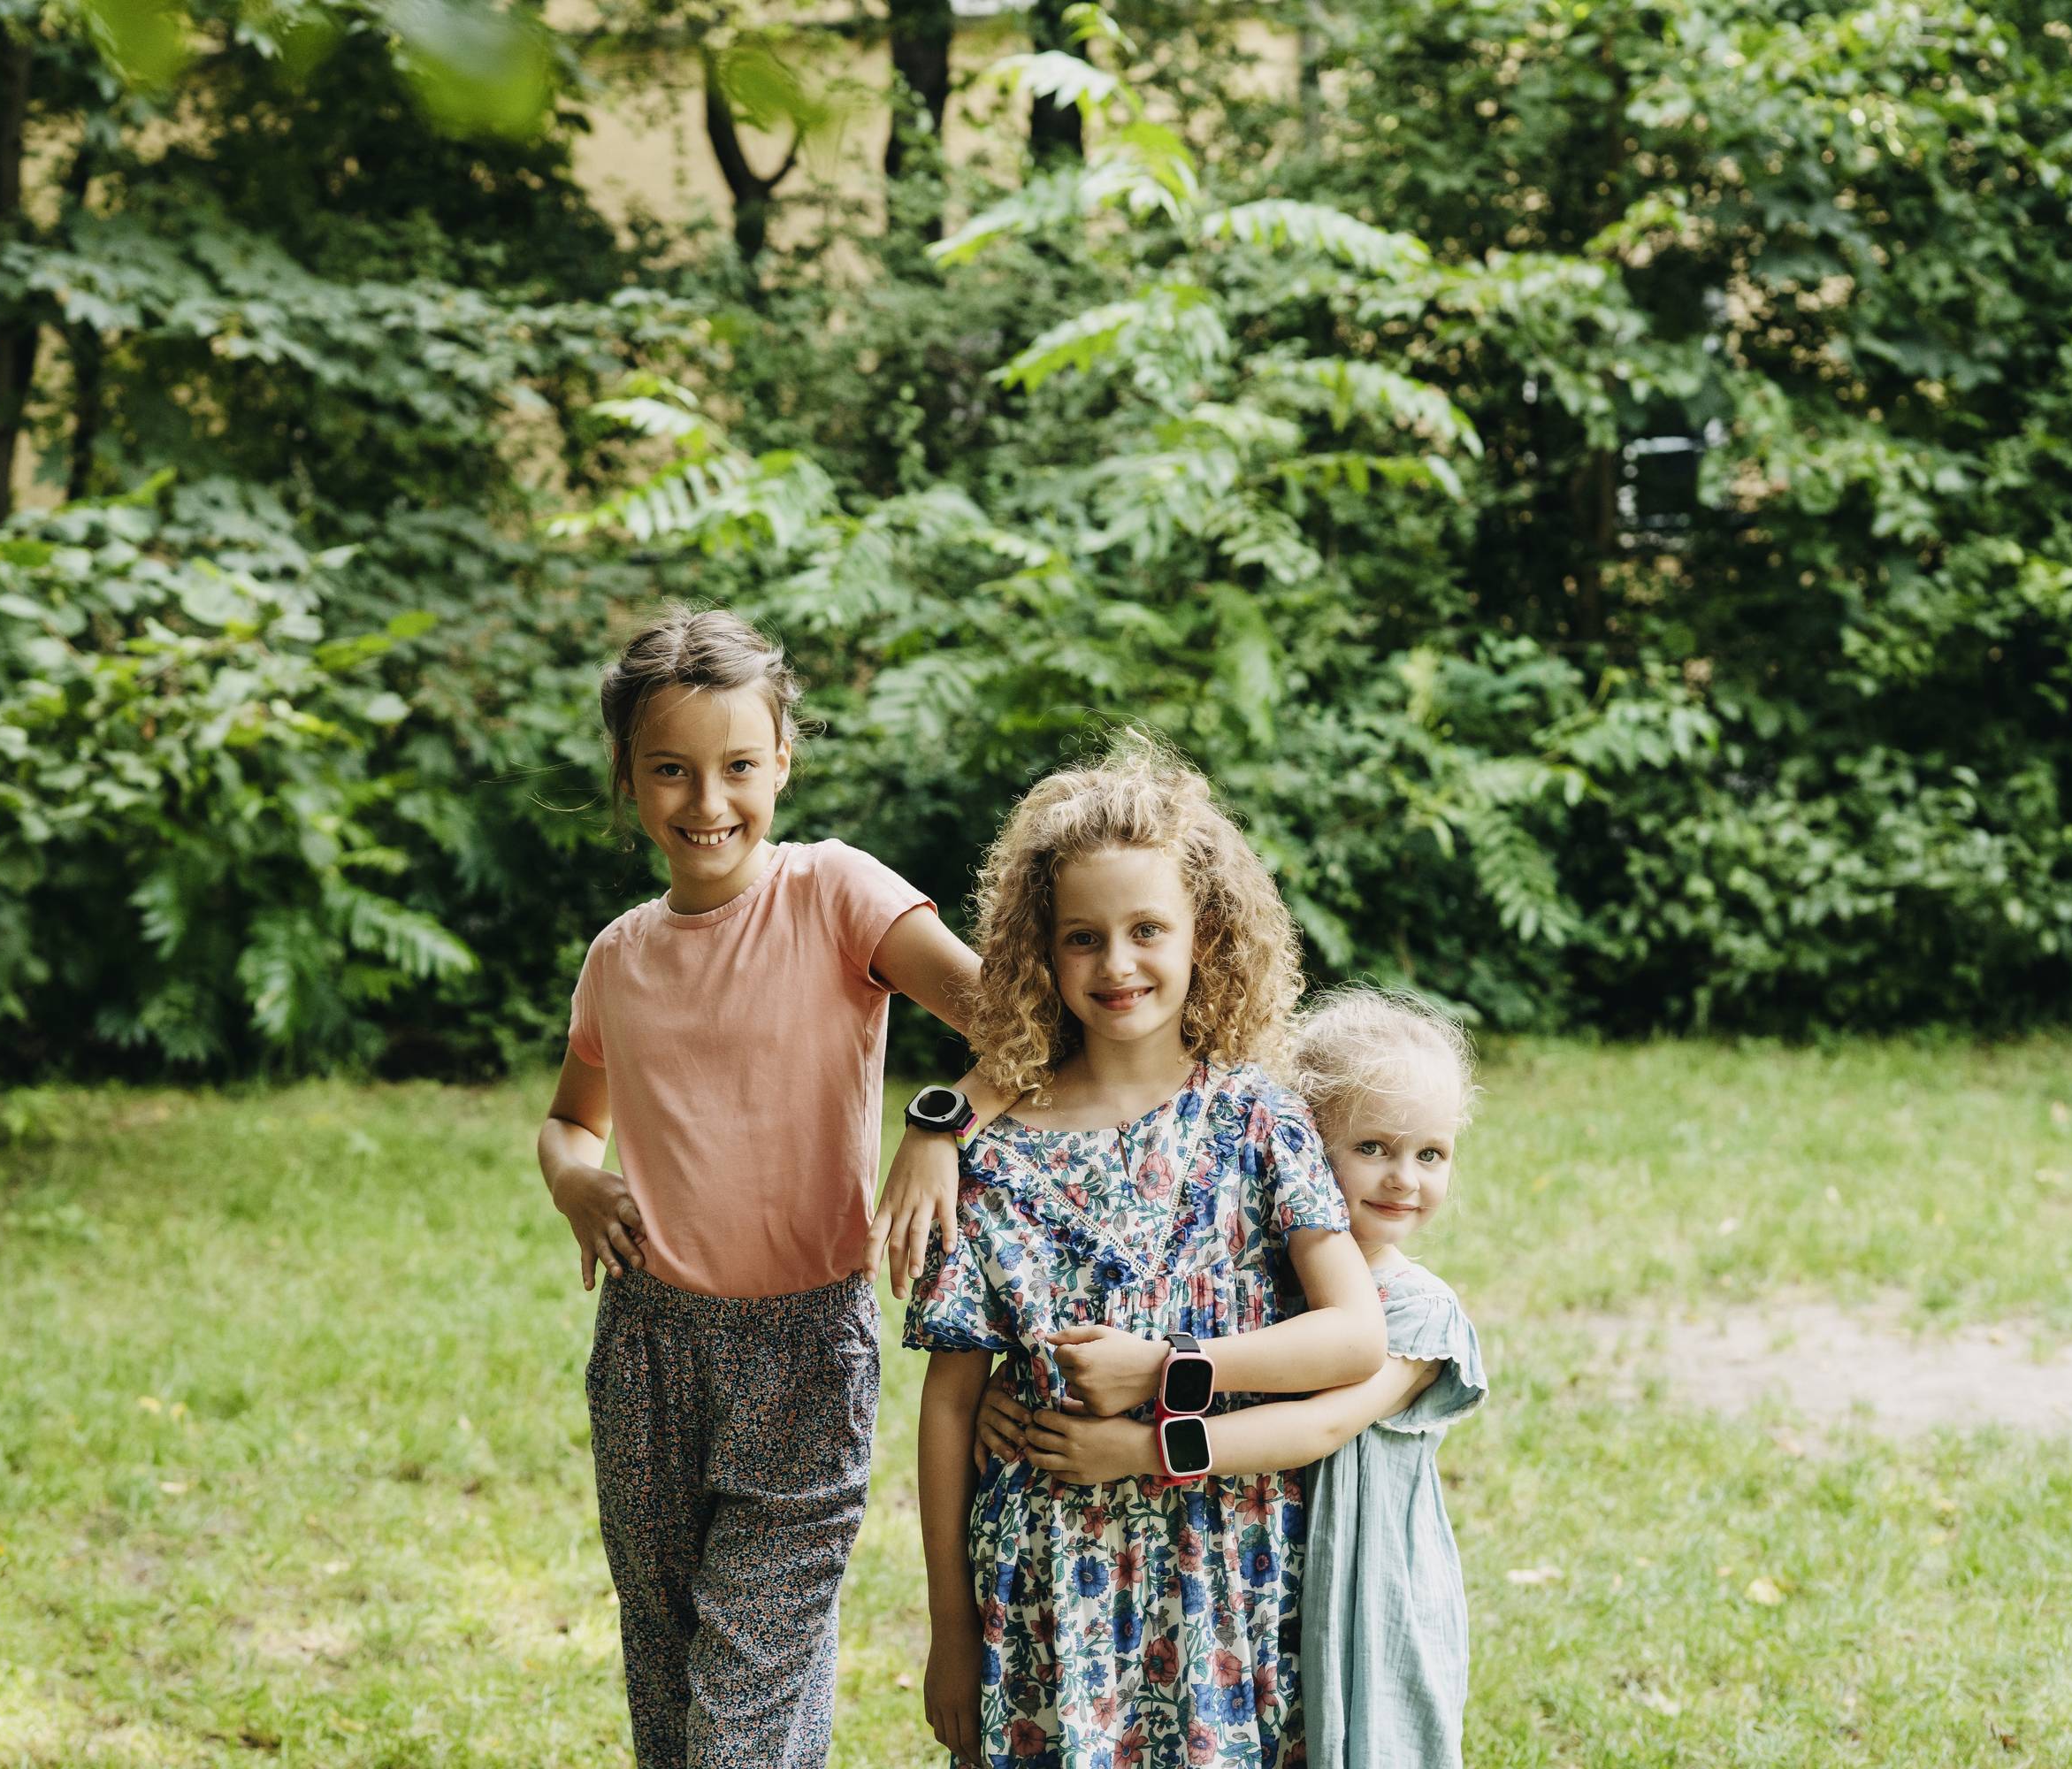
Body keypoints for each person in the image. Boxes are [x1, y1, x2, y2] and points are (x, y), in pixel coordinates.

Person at [535, 606, 992, 1768]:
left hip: (803, 1346)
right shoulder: (618, 956)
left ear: (783, 758)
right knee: (674, 1667)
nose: (707, 801)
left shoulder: (835, 893)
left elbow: (1014, 1026)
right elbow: (566, 1124)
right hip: (647, 1351)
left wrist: (937, 1127)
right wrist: (577, 1187)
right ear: (628, 780)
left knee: (741, 1708)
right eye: (670, 771)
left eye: (740, 765)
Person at [906, 737, 1388, 1769]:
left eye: (1146, 929)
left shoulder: (1259, 1118)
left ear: (1204, 933)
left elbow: (1354, 1335)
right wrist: (950, 1626)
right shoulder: (989, 1153)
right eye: (1083, 937)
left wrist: (1172, 1368)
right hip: (1041, 1593)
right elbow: (951, 1401)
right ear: (1042, 948)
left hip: (1225, 1570)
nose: (1117, 964)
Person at [983, 987, 1489, 1769]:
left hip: (1366, 1587)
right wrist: (1017, 1388)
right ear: (1305, 1147)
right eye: (1373, 1148)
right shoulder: (1261, 1287)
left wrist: (1136, 1449)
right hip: (1260, 1583)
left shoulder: (1419, 1314)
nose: (1404, 1179)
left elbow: (1316, 1427)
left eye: (1431, 1153)